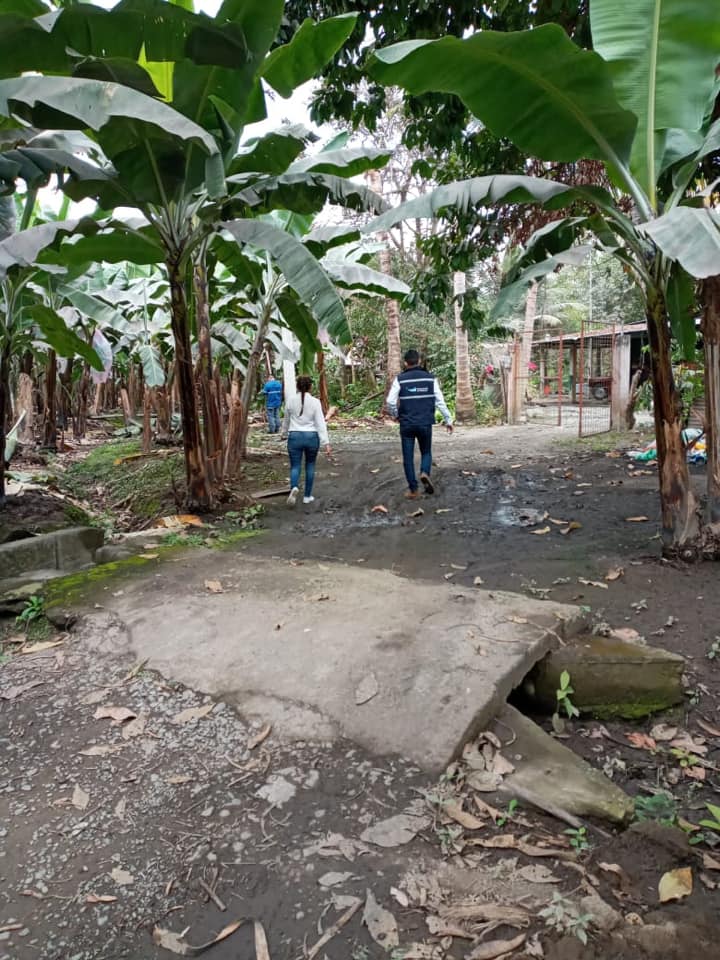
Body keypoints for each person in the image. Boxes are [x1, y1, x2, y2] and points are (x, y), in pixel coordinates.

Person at [386, 349, 453, 499]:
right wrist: (448, 420)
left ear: (405, 363)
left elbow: (390, 402)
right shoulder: (430, 379)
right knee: (426, 452)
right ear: (419, 361)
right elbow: (440, 401)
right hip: (425, 423)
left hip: (407, 424)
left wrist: (396, 415)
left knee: (408, 457)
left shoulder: (400, 379)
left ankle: (413, 489)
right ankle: (424, 472)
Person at [282, 376, 331, 506]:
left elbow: (286, 420)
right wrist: (326, 442)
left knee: (295, 466)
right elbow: (320, 423)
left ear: (297, 386)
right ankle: (307, 496)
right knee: (310, 465)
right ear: (310, 387)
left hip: (295, 436)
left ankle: (294, 487)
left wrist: (284, 434)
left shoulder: (290, 401)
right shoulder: (315, 402)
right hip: (311, 437)